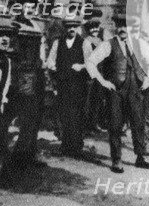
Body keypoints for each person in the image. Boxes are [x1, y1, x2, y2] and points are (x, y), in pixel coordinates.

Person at [86, 13, 149, 174]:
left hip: (136, 90)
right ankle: (117, 160)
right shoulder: (108, 45)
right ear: (115, 27)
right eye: (119, 25)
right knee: (115, 125)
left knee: (138, 123)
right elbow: (91, 62)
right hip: (116, 91)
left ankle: (142, 157)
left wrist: (148, 79)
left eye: (126, 26)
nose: (122, 29)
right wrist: (103, 82)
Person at [10, 14, 48, 169]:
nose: (29, 10)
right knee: (25, 116)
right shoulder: (15, 27)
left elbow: (40, 54)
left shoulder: (36, 26)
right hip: (23, 77)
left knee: (33, 117)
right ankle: (18, 156)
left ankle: (27, 154)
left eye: (32, 7)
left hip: (34, 75)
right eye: (26, 6)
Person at [47, 16, 87, 158]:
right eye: (69, 26)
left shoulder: (84, 43)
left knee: (76, 115)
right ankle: (65, 146)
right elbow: (50, 61)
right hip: (63, 84)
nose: (71, 29)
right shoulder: (58, 43)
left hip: (78, 85)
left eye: (74, 26)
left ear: (78, 28)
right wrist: (57, 69)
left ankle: (76, 147)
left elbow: (91, 63)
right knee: (64, 115)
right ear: (65, 28)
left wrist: (81, 66)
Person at [82, 19, 106, 134]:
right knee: (88, 100)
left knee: (97, 100)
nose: (94, 30)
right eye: (92, 28)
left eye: (96, 27)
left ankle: (94, 124)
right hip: (90, 75)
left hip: (100, 73)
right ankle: (86, 126)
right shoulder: (86, 41)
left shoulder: (100, 41)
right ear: (88, 30)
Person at [0, 16, 17, 173]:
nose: (4, 39)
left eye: (7, 36)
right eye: (0, 35)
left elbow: (7, 83)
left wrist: (3, 101)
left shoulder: (7, 61)